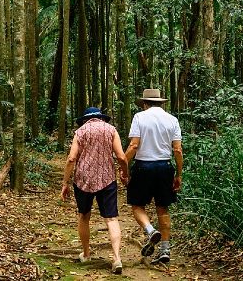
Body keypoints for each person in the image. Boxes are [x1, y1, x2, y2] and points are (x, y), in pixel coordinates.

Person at [60, 107, 129, 274]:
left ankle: (86, 253)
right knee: (111, 219)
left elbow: (71, 158)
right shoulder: (111, 129)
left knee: (84, 216)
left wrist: (65, 183)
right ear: (101, 117)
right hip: (107, 180)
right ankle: (117, 258)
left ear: (85, 119)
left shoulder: (80, 132)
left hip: (83, 180)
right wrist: (125, 173)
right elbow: (121, 156)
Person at [124, 88, 182, 264]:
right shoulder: (172, 120)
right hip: (165, 167)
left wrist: (123, 167)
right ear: (160, 103)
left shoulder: (140, 117)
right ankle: (165, 249)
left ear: (145, 103)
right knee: (163, 208)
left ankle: (150, 230)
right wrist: (178, 174)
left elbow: (134, 146)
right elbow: (178, 150)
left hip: (143, 167)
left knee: (137, 205)